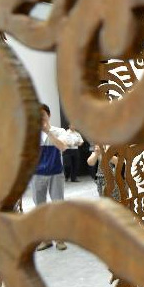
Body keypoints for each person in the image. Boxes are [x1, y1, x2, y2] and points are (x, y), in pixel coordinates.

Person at [34, 103, 82, 250]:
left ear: (49, 115)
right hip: (37, 173)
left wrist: (49, 132)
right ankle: (46, 239)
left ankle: (60, 238)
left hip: (55, 171)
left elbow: (63, 147)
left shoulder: (59, 131)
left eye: (43, 114)